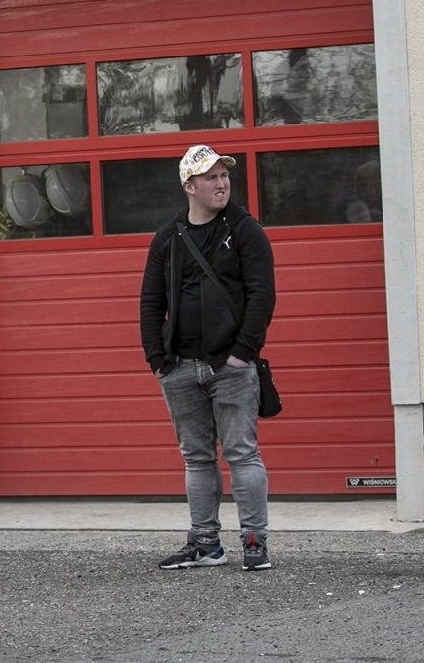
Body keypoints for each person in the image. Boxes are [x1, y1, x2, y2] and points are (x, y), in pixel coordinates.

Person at [140, 144, 277, 573]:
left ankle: (255, 543)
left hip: (230, 366)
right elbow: (150, 300)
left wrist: (242, 354)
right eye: (211, 177)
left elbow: (262, 296)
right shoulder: (168, 236)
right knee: (197, 457)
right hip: (179, 367)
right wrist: (157, 359)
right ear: (189, 186)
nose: (221, 183)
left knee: (242, 453)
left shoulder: (245, 229)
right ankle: (205, 544)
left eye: (224, 175)